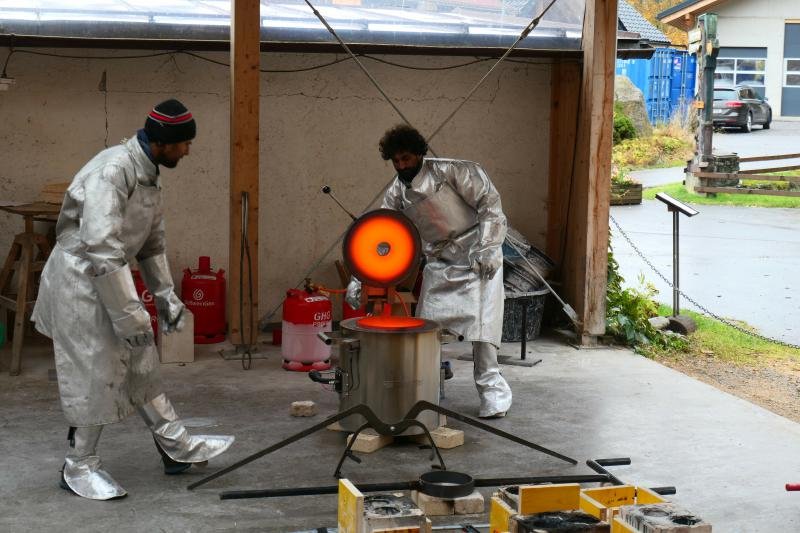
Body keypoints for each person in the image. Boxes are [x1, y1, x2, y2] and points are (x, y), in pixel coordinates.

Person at [32, 99, 234, 500]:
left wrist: (166, 296)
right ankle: (78, 465)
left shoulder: (149, 172)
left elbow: (152, 241)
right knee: (96, 372)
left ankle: (175, 447)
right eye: (184, 144)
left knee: (142, 362)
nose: (188, 151)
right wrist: (129, 315)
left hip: (109, 275)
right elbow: (102, 247)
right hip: (82, 279)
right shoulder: (112, 171)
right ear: (163, 142)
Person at [348, 124, 512, 418]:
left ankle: (492, 391)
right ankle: (428, 391)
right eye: (396, 161)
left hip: (478, 257)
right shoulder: (396, 193)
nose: (401, 166)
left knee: (483, 331)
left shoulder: (457, 171)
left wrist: (487, 247)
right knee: (426, 332)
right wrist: (359, 277)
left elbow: (490, 205)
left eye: (407, 159)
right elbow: (380, 237)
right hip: (440, 260)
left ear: (420, 154)